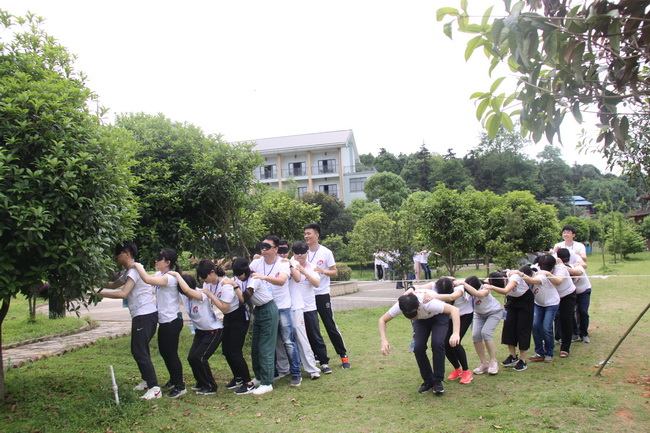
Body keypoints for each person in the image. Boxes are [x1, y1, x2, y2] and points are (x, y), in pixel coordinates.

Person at [99, 241, 160, 400]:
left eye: (117, 253)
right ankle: (146, 381)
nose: (115, 256)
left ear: (127, 254)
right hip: (141, 315)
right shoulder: (129, 271)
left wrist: (97, 294)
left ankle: (154, 388)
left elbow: (123, 293)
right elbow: (113, 285)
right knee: (138, 350)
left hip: (145, 315)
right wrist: (90, 282)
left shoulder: (134, 270)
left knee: (139, 351)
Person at [379, 287, 460, 395]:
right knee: (418, 348)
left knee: (437, 343)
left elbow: (454, 310)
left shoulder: (429, 303)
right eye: (408, 316)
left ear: (418, 306)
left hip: (438, 316)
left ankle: (437, 381)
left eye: (413, 314)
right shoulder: (401, 305)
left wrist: (455, 333)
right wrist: (384, 340)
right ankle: (428, 381)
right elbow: (382, 320)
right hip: (421, 320)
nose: (411, 317)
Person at [130, 248, 185, 398]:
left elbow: (147, 280)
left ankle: (180, 386)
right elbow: (147, 278)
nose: (156, 261)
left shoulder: (169, 278)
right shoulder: (160, 275)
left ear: (167, 262)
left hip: (172, 320)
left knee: (171, 354)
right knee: (165, 352)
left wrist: (136, 265)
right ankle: (173, 380)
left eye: (159, 259)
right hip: (164, 321)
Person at [250, 235, 302, 387]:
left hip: (282, 306)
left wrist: (263, 277)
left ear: (276, 249)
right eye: (262, 247)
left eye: (267, 247)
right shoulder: (256, 263)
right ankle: (271, 372)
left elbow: (281, 281)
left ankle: (296, 373)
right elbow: (246, 275)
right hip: (265, 307)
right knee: (268, 342)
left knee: (288, 340)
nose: (264, 250)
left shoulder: (282, 263)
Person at [196, 259, 249, 394]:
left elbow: (224, 307)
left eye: (205, 276)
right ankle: (238, 378)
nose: (204, 280)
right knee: (226, 350)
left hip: (238, 317)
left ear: (212, 272)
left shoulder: (225, 285)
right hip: (228, 318)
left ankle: (248, 382)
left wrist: (210, 295)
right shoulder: (208, 284)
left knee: (235, 351)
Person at [168, 271, 224, 396]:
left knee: (200, 357)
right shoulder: (184, 296)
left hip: (213, 331)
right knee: (192, 357)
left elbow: (187, 290)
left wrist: (176, 275)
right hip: (200, 331)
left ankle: (210, 386)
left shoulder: (201, 293)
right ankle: (201, 382)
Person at [304, 223, 350, 370]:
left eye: (309, 233)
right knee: (312, 328)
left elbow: (335, 272)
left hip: (322, 294)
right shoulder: (302, 252)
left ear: (317, 235)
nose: (306, 236)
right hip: (307, 296)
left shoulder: (326, 252)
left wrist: (323, 271)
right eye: (305, 234)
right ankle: (318, 357)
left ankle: (343, 356)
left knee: (330, 325)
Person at [275, 241, 322, 381]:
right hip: (280, 305)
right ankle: (283, 368)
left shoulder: (293, 263)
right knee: (280, 338)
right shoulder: (273, 264)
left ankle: (312, 368)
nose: (282, 254)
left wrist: (290, 265)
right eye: (279, 251)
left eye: (284, 251)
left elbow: (297, 278)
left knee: (301, 336)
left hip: (295, 305)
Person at [232, 257, 279, 395]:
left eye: (240, 274)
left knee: (265, 347)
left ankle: (267, 382)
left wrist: (235, 286)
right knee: (256, 347)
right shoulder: (239, 279)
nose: (238, 277)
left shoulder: (254, 279)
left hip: (268, 309)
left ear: (245, 271)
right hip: (258, 311)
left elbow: (246, 296)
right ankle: (259, 377)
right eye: (236, 274)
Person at [413, 278, 473, 384]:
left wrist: (434, 296)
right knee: (444, 343)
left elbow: (452, 297)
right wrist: (411, 289)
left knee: (455, 342)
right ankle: (457, 369)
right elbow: (419, 287)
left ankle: (466, 371)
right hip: (448, 315)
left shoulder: (458, 287)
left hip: (464, 315)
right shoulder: (434, 285)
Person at [514, 255, 562, 363]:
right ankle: (539, 352)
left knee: (546, 328)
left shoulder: (541, 276)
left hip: (551, 303)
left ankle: (549, 353)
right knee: (535, 326)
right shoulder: (534, 268)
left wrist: (521, 274)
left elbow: (533, 281)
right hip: (539, 304)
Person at [490, 266, 535, 372]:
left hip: (525, 301)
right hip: (512, 301)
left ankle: (523, 360)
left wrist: (491, 287)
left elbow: (505, 290)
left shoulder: (514, 277)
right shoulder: (494, 278)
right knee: (508, 328)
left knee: (522, 329)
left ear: (504, 279)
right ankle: (513, 356)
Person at [462, 274, 504, 375]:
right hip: (479, 314)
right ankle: (484, 363)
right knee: (475, 335)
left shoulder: (484, 288)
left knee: (486, 333)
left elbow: (478, 294)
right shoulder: (467, 289)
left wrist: (463, 284)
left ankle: (493, 361)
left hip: (494, 312)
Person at [549, 249, 577, 358]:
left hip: (567, 294)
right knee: (550, 319)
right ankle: (551, 343)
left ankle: (565, 348)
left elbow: (559, 281)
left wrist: (547, 273)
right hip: (553, 295)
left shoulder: (561, 268)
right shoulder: (542, 266)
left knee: (566, 319)